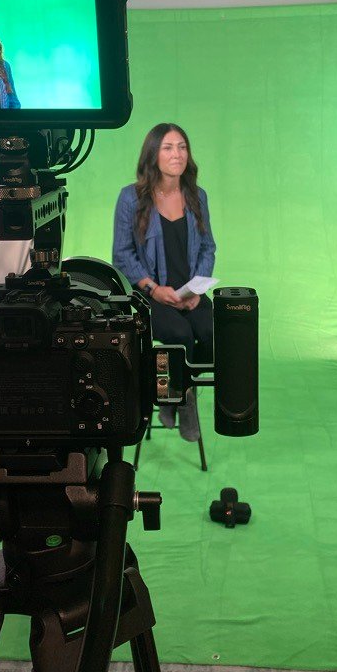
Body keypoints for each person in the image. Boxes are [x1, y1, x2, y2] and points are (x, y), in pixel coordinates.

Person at [113, 123, 216, 441]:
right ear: (153, 154)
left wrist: (197, 289)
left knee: (213, 331)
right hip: (151, 296)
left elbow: (208, 247)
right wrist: (154, 289)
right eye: (169, 147)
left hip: (190, 293)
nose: (178, 154)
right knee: (180, 335)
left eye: (182, 146)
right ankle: (178, 399)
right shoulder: (131, 198)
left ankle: (179, 393)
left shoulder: (197, 196)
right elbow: (122, 254)